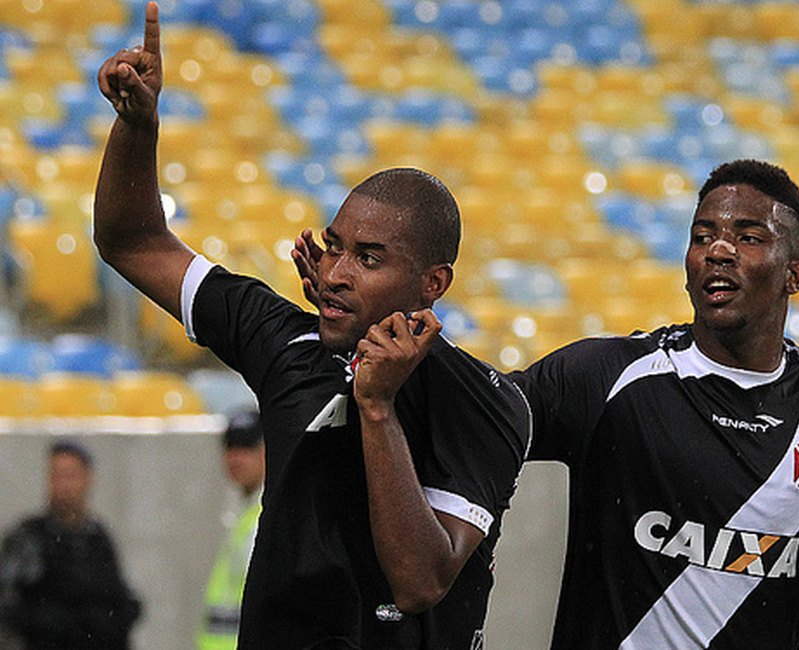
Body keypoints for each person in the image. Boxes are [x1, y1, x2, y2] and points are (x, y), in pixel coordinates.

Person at [300, 159, 799, 647]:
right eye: (703, 236)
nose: (719, 250)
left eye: (749, 236)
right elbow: (479, 412)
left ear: (794, 273)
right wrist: (369, 310)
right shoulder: (607, 377)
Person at [93, 4, 532, 648]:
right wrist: (138, 125)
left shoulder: (483, 402)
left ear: (432, 284)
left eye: (369, 258)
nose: (334, 273)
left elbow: (420, 581)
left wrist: (376, 408)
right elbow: (131, 240)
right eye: (333, 247)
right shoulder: (286, 341)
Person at [0, 440, 142, 649]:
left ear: (88, 478)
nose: (64, 485)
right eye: (57, 475)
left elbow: (118, 600)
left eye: (71, 475)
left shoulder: (97, 539)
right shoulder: (30, 538)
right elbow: (7, 605)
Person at [197, 410, 265, 650]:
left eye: (247, 448)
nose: (236, 458)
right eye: (230, 448)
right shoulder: (245, 513)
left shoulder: (265, 518)